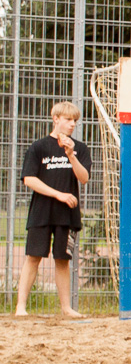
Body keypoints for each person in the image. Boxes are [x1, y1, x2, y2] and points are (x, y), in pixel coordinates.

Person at [15, 101, 91, 318]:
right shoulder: (38, 147)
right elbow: (29, 179)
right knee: (33, 257)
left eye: (75, 120)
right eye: (68, 119)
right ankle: (21, 306)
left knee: (62, 259)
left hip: (67, 215)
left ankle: (66, 308)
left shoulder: (80, 148)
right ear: (55, 118)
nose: (72, 124)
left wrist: (71, 155)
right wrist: (58, 194)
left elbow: (84, 178)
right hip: (41, 212)